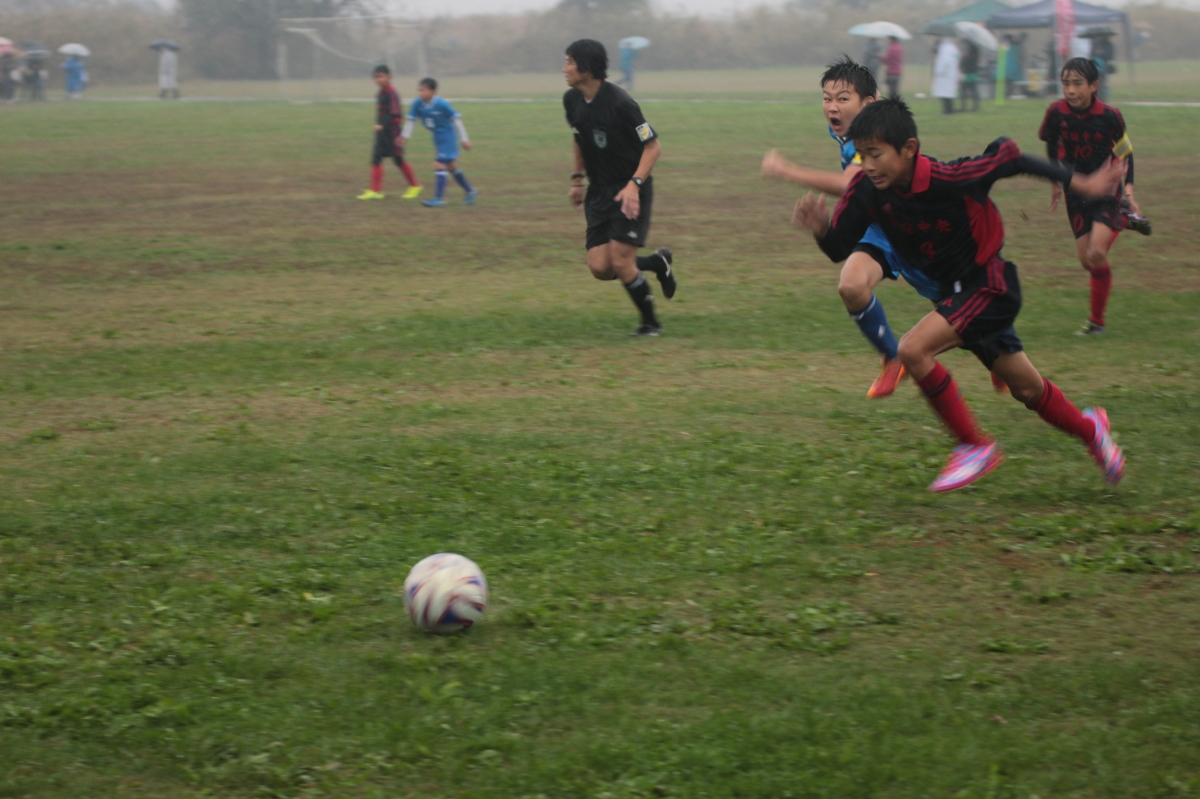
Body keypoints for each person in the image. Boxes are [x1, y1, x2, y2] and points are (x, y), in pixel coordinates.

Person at [792, 97, 1126, 492]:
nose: (868, 165)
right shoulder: (867, 190)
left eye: (876, 154)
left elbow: (1009, 155)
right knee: (1027, 389)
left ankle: (973, 445)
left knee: (912, 349)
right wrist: (821, 229)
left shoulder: (950, 177)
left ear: (909, 149)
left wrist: (1084, 184)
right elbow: (839, 247)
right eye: (862, 155)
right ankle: (1092, 429)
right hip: (955, 298)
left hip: (990, 285)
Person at [761, 56, 943, 399]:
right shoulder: (848, 130)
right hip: (880, 225)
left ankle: (999, 355)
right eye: (827, 98)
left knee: (957, 311)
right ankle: (892, 357)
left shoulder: (874, 137)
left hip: (916, 224)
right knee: (852, 285)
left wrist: (787, 171)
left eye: (842, 99)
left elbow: (850, 183)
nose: (832, 107)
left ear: (867, 103)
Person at [562, 38, 676, 337]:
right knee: (600, 267)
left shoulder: (621, 104)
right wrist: (577, 179)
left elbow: (653, 147)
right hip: (599, 191)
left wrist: (634, 185)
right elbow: (579, 137)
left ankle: (651, 325)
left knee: (622, 261)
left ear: (586, 68)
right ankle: (657, 262)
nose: (564, 68)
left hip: (630, 189)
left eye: (570, 62)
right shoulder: (571, 100)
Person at [1039, 57, 1144, 336]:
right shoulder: (1056, 113)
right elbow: (1051, 146)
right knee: (1087, 260)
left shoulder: (1110, 116)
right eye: (1065, 84)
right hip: (1075, 189)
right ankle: (1123, 220)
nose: (1070, 90)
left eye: (1077, 84)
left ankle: (1097, 322)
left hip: (1107, 188)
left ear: (1094, 85)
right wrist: (1055, 183)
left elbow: (1125, 152)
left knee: (1097, 253)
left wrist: (1129, 189)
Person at [401, 78, 477, 208]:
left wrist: (464, 139)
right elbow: (411, 120)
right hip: (437, 136)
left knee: (439, 164)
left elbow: (457, 120)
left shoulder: (442, 104)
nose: (420, 93)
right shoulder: (417, 103)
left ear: (433, 91)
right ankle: (470, 191)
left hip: (448, 136)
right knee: (451, 166)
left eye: (423, 90)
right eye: (419, 90)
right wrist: (404, 136)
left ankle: (439, 198)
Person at [357, 65, 421, 201]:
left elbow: (394, 113)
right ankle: (375, 191)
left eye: (381, 76)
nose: (378, 79)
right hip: (382, 133)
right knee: (376, 158)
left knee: (398, 160)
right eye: (376, 77)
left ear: (389, 77)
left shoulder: (392, 93)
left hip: (392, 132)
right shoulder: (380, 93)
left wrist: (381, 124)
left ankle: (415, 186)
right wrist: (379, 126)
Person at [932, 37, 960, 115]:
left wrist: (939, 71)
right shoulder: (953, 47)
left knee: (945, 94)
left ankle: (947, 110)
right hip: (950, 74)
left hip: (945, 75)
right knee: (948, 93)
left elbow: (944, 61)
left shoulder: (945, 48)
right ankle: (949, 109)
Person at [959, 39, 980, 112]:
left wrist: (963, 60)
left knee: (964, 90)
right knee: (973, 89)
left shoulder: (968, 47)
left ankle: (964, 106)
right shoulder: (976, 47)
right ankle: (975, 106)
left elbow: (965, 59)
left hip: (967, 71)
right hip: (973, 71)